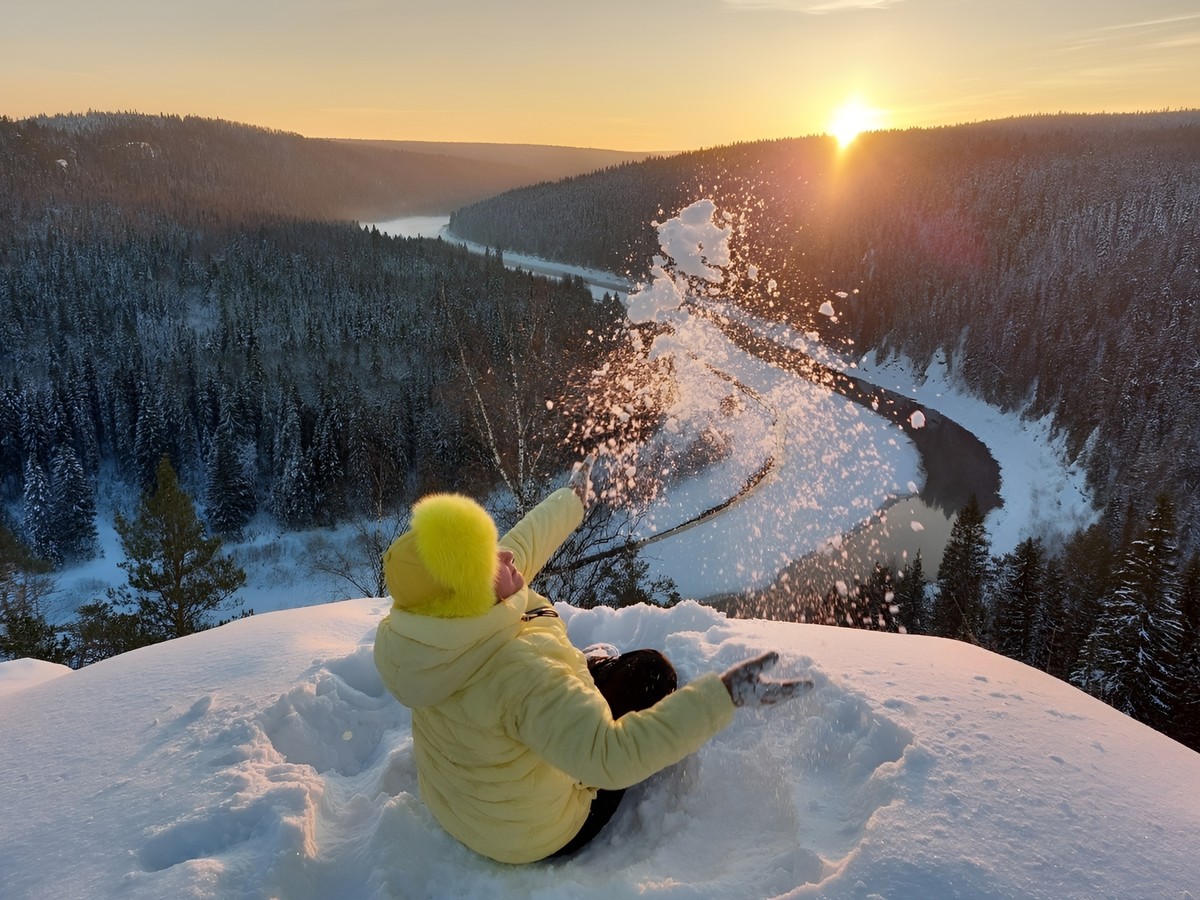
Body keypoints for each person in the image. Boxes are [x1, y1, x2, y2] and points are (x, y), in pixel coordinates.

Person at [373, 457, 808, 864]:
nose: (505, 556)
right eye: (491, 560)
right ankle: (587, 681)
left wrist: (571, 500)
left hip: (464, 809)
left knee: (555, 693)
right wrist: (724, 696)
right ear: (472, 594)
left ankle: (583, 677)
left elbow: (520, 546)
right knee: (651, 673)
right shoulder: (522, 674)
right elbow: (609, 757)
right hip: (540, 834)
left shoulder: (427, 636)